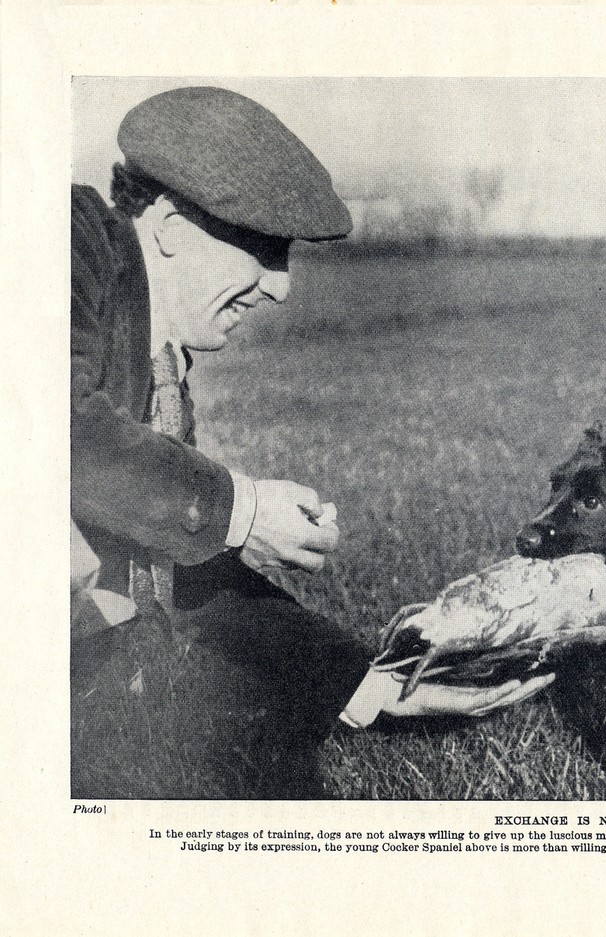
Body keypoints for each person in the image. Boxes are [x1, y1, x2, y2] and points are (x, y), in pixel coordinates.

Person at [70, 86, 551, 790]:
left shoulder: (159, 368)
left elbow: (187, 573)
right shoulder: (67, 239)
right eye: (264, 249)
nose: (281, 286)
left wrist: (369, 685)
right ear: (171, 227)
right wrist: (241, 510)